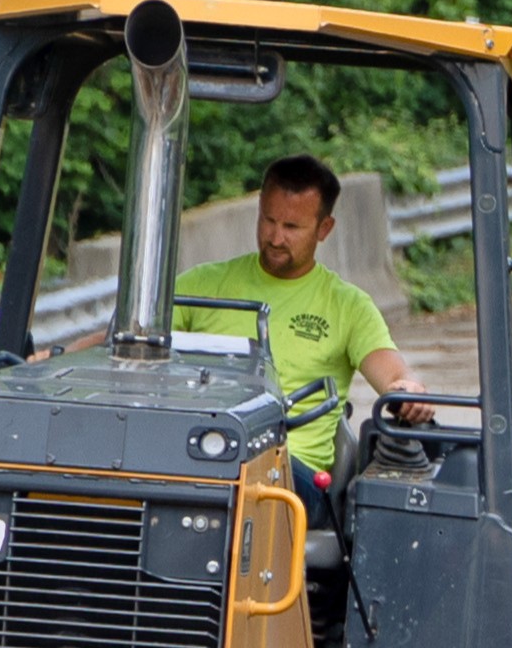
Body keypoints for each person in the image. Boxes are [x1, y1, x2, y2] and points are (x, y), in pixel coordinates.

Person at [174, 156, 430, 503]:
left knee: (239, 472)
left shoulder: (347, 306)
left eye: (292, 227)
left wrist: (407, 390)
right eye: (268, 220)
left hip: (295, 476)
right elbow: (132, 337)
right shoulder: (203, 284)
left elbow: (394, 375)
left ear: (324, 229)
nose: (276, 238)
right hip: (203, 452)